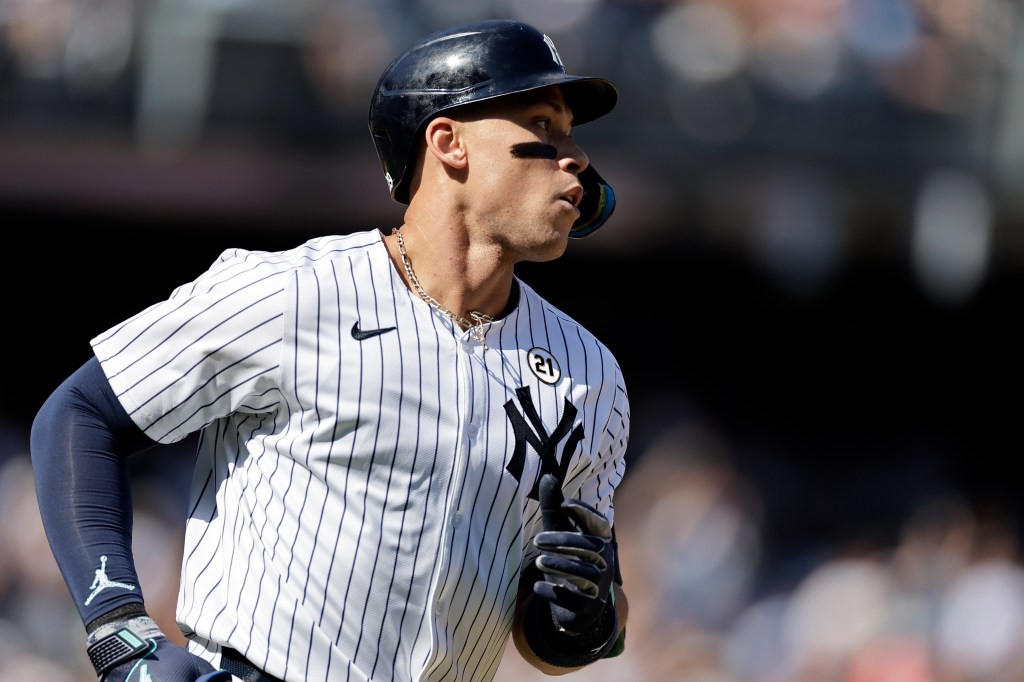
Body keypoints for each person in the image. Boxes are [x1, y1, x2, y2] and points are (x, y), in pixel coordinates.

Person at [31, 18, 630, 682]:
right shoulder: (294, 292)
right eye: (543, 125)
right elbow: (79, 415)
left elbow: (576, 621)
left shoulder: (590, 374)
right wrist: (120, 629)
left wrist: (587, 622)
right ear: (448, 142)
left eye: (570, 132)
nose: (576, 156)